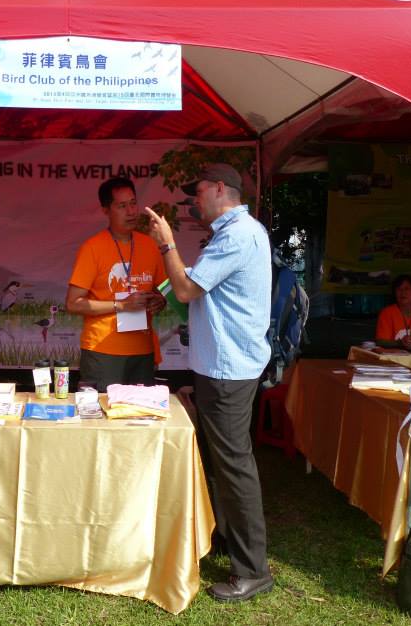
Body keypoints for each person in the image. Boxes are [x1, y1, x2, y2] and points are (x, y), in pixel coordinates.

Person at [143, 163, 274, 602]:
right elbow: (197, 292)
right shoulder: (235, 233)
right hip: (224, 365)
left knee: (234, 465)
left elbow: (186, 291)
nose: (192, 202)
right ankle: (229, 539)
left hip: (228, 369)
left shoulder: (238, 235)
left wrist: (166, 245)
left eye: (196, 193)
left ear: (221, 189)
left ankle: (253, 568)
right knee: (225, 461)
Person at [65, 176, 167, 391]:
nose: (131, 212)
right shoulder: (92, 248)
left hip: (142, 350)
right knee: (100, 416)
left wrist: (160, 301)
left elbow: (164, 291)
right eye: (122, 206)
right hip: (103, 350)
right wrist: (120, 305)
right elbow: (73, 303)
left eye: (133, 203)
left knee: (140, 416)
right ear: (105, 210)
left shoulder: (150, 245)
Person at [375, 274, 411, 351]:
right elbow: (380, 342)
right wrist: (400, 343)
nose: (403, 293)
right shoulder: (387, 313)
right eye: (399, 289)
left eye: (406, 289)